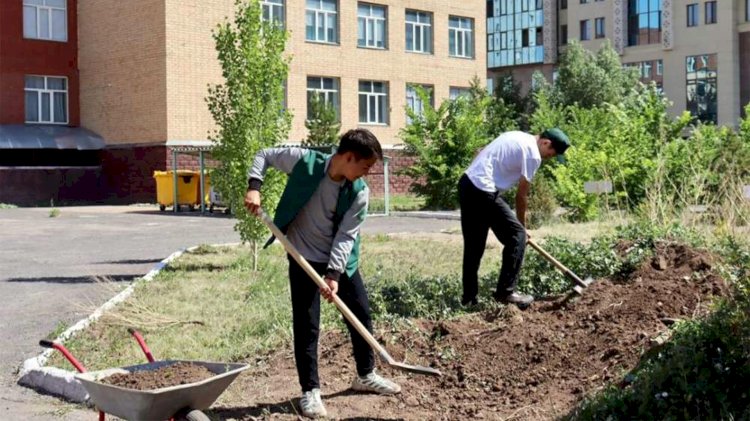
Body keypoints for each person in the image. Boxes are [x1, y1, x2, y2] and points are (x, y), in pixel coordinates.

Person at [244, 128, 400, 419]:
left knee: (361, 313)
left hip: (340, 262)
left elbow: (345, 237)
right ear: (349, 157)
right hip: (302, 253)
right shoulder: (306, 162)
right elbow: (264, 154)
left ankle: (365, 375)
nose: (366, 174)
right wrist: (255, 185)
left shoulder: (359, 193)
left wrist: (334, 274)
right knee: (307, 323)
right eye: (365, 167)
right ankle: (310, 391)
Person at [458, 128, 570, 309]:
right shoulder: (533, 155)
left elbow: (481, 152)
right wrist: (523, 228)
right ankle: (506, 292)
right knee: (517, 236)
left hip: (468, 183)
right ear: (545, 143)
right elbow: (521, 196)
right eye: (551, 154)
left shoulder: (517, 135)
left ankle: (469, 300)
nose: (548, 158)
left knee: (474, 246)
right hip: (483, 189)